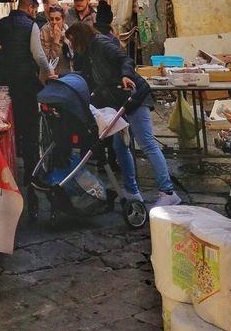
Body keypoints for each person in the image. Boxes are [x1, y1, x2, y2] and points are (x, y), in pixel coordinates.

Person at [67, 21, 181, 207]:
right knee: (120, 147)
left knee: (147, 143)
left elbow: (125, 60)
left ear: (81, 37)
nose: (72, 45)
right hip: (118, 102)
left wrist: (126, 75)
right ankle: (131, 190)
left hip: (134, 95)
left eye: (73, 40)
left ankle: (168, 191)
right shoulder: (89, 51)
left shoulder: (101, 44)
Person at [0, 0, 56, 214]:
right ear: (29, 8)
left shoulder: (0, 25)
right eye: (34, 10)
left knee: (9, 129)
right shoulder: (31, 26)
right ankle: (31, 177)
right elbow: (38, 55)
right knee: (30, 132)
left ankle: (6, 175)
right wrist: (50, 72)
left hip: (3, 84)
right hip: (26, 85)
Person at [39, 5, 72, 77]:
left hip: (66, 72)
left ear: (63, 20)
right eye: (51, 19)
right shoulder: (44, 31)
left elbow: (72, 54)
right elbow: (48, 61)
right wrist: (56, 41)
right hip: (51, 75)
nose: (54, 22)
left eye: (57, 19)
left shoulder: (67, 29)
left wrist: (64, 39)